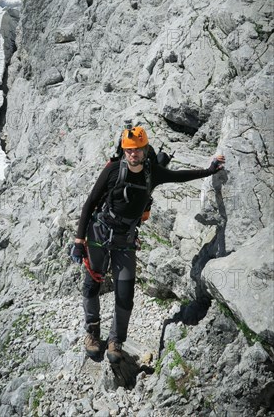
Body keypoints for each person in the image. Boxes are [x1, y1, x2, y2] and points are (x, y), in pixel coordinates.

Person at [71, 125, 225, 364]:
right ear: (124, 150)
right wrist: (79, 240)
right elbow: (90, 202)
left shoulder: (153, 173)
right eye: (130, 150)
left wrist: (208, 171)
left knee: (125, 294)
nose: (134, 154)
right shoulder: (113, 170)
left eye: (138, 150)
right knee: (92, 284)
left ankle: (115, 342)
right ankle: (92, 334)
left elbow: (179, 176)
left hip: (125, 240)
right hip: (100, 234)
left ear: (145, 150)